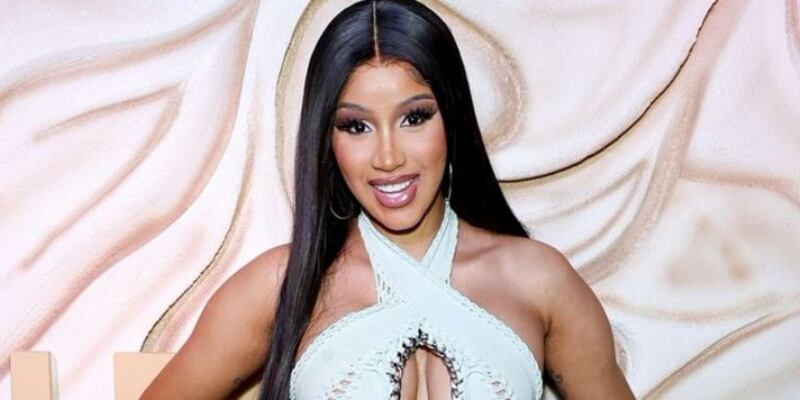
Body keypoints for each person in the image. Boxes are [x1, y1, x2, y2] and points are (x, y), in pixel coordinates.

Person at [143, 0, 636, 399]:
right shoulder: (279, 287)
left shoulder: (541, 281)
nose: (388, 157)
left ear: (452, 119)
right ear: (327, 139)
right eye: (356, 126)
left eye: (414, 117)